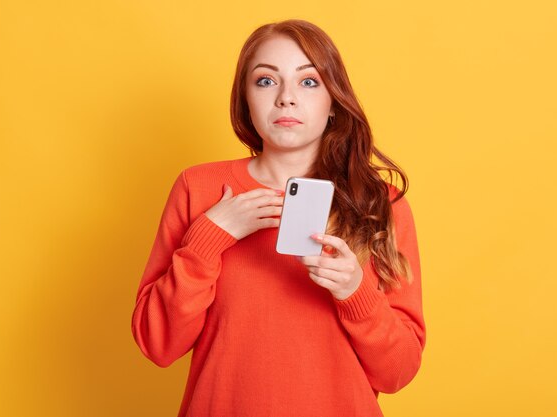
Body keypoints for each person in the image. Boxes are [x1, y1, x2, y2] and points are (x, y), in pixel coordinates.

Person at [131, 19, 426, 417]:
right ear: (245, 99)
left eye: (308, 82)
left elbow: (398, 373)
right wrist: (209, 238)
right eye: (266, 81)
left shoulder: (379, 204)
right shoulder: (198, 188)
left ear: (334, 101)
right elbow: (157, 343)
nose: (286, 98)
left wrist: (356, 293)